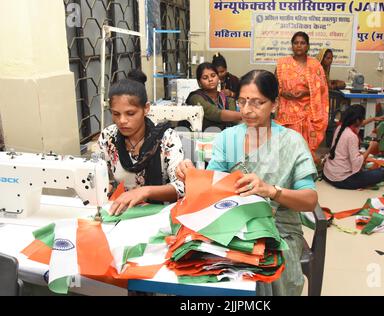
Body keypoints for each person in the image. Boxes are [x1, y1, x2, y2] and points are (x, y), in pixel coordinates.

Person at [176, 70, 318, 296]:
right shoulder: (228, 137)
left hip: (279, 229)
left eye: (257, 102)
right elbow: (214, 187)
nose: (247, 110)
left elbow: (310, 201)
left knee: (263, 272)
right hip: (232, 223)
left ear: (274, 105)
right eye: (242, 102)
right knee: (200, 265)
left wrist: (271, 191)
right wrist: (193, 177)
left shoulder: (291, 142)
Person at [97, 79, 185, 215]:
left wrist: (145, 191)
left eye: (130, 113)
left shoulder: (166, 138)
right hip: (119, 213)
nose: (122, 121)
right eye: (116, 114)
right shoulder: (108, 137)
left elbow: (181, 187)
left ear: (146, 108)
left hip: (160, 214)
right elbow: (104, 180)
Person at [275, 31, 329, 158]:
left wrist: (305, 92)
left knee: (305, 148)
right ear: (292, 45)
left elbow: (322, 88)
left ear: (308, 46)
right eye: (296, 43)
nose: (299, 46)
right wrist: (283, 92)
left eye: (302, 43)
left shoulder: (315, 65)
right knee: (287, 147)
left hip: (308, 113)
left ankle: (304, 170)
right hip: (287, 112)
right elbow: (275, 85)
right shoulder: (283, 63)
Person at [323, 105, 384, 190]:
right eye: (362, 118)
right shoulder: (351, 136)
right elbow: (357, 164)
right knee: (381, 173)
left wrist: (373, 119)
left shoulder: (340, 127)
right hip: (341, 179)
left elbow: (359, 124)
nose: (363, 120)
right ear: (357, 120)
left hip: (328, 174)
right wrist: (370, 148)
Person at [185, 62, 241, 131]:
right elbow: (214, 113)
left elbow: (234, 120)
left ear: (218, 78)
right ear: (199, 82)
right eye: (205, 78)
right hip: (201, 138)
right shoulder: (195, 98)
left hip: (224, 137)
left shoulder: (228, 100)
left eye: (213, 75)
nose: (210, 79)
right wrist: (244, 115)